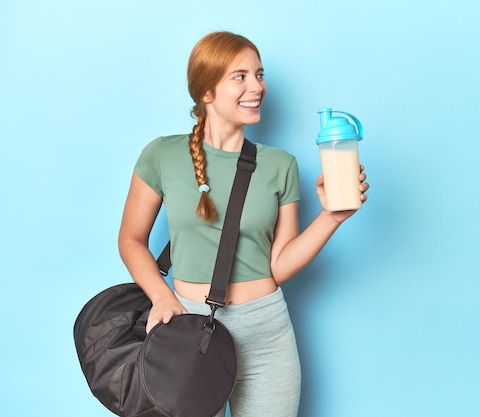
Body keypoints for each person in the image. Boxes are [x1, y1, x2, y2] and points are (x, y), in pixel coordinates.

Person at [118, 31, 369, 417]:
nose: (257, 86)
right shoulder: (161, 155)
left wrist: (331, 217)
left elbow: (278, 265)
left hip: (267, 331)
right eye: (240, 76)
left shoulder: (280, 164)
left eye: (260, 74)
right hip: (187, 327)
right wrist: (163, 297)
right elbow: (131, 239)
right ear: (206, 92)